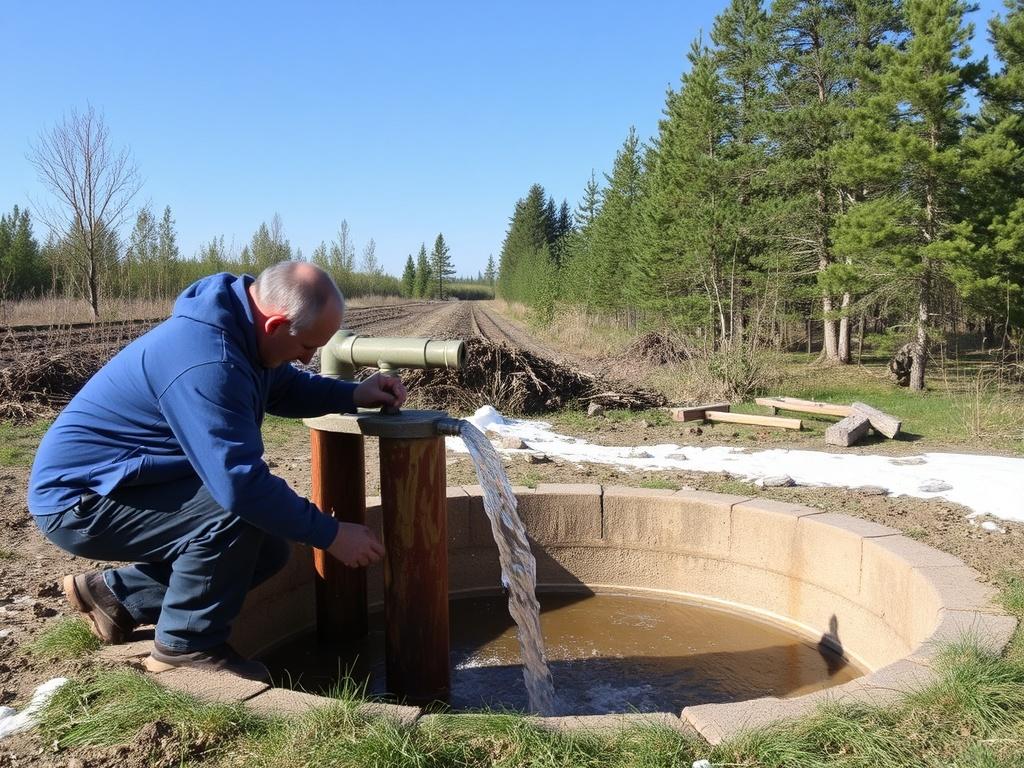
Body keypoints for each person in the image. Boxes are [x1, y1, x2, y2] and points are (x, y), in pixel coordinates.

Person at [27, 262, 404, 681]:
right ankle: (186, 646)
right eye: (306, 347)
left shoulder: (242, 331)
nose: (308, 358)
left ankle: (113, 597)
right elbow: (239, 485)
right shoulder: (209, 361)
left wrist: (353, 393)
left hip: (130, 481)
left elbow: (284, 386)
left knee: (269, 549)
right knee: (236, 515)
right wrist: (332, 535)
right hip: (82, 500)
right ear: (276, 323)